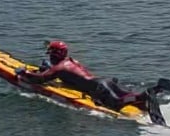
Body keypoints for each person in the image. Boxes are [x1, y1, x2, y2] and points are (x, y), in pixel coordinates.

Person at [16, 40, 149, 111]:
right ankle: (142, 100)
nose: (49, 56)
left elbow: (39, 79)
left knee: (116, 104)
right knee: (125, 95)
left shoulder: (59, 67)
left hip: (98, 87)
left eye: (50, 53)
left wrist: (23, 72)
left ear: (54, 54)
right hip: (105, 81)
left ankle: (143, 96)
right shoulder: (72, 61)